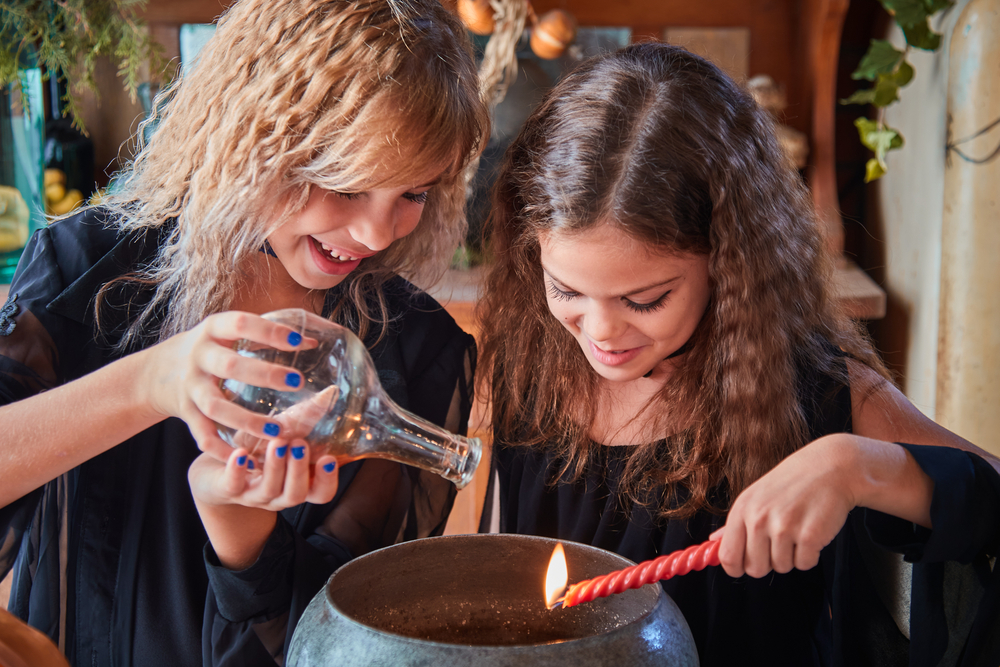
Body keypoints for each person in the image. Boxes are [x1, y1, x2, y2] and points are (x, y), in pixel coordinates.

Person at [474, 42, 1000, 666]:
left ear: (730, 268)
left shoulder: (822, 396)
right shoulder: (529, 364)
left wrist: (854, 466)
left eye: (645, 300)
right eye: (566, 289)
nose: (600, 332)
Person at [0, 0, 488, 665]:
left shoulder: (416, 349)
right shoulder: (84, 272)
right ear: (252, 134)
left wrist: (242, 535)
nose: (377, 233)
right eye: (341, 183)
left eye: (414, 193)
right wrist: (153, 380)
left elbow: (347, 643)